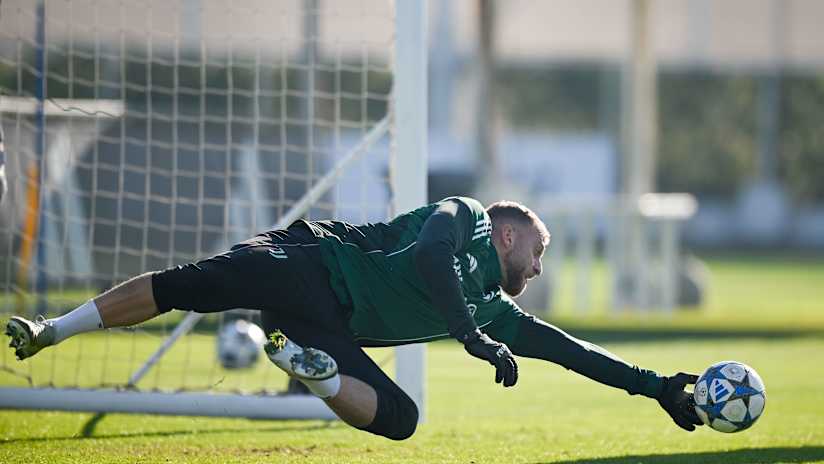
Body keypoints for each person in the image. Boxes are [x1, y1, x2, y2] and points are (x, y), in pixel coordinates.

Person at [5, 196, 703, 440]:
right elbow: (431, 260)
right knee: (186, 286)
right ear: (511, 237)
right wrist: (471, 338)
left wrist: (658, 386)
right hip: (307, 259)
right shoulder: (462, 217)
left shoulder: (496, 310)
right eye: (540, 252)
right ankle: (51, 330)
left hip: (323, 327)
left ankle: (310, 371)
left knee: (401, 420)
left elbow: (574, 352)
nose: (540, 270)